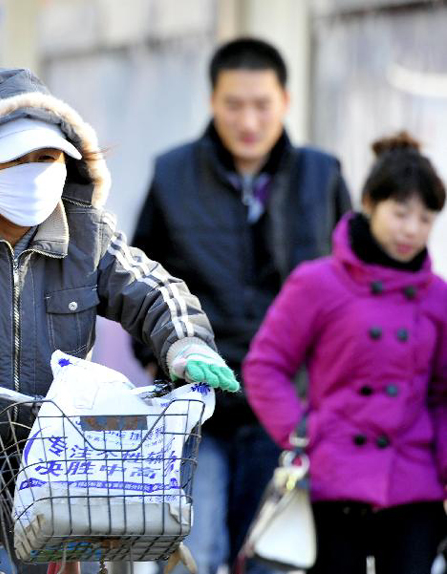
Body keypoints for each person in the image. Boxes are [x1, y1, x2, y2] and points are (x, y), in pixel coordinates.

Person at [0, 67, 241, 574]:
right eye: (14, 158)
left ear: (67, 160)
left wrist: (186, 343)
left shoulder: (89, 233)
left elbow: (154, 289)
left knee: (74, 525)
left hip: (44, 439)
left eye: (46, 156)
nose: (33, 170)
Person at [130, 38, 351, 573]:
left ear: (286, 102)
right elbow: (137, 280)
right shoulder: (172, 174)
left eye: (262, 104)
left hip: (291, 406)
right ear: (212, 102)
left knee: (275, 558)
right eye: (233, 104)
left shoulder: (322, 176)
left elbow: (350, 282)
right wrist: (158, 359)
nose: (247, 120)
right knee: (193, 554)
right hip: (196, 401)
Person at [244, 133, 447, 574]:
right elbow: (265, 366)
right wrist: (302, 434)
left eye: (426, 218)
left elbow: (443, 395)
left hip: (416, 484)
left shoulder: (438, 298)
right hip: (333, 477)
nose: (412, 229)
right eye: (400, 213)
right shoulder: (318, 283)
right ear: (369, 203)